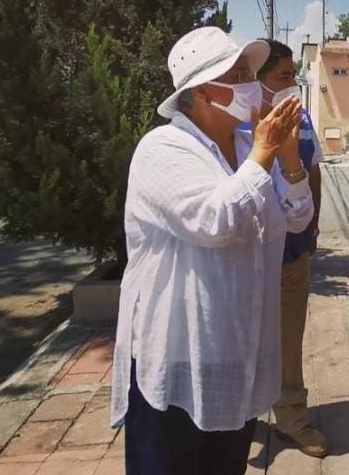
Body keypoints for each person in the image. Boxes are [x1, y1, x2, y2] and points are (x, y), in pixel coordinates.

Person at [110, 27, 314, 475]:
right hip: (180, 350)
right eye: (239, 74)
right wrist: (263, 156)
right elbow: (214, 222)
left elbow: (298, 217)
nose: (251, 84)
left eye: (249, 73)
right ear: (204, 90)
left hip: (236, 348)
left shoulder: (245, 146)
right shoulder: (163, 148)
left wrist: (289, 156)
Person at [249, 40, 330, 457]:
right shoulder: (235, 125)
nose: (291, 83)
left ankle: (292, 419)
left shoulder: (301, 118)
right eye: (283, 76)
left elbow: (312, 168)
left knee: (288, 339)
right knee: (240, 338)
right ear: (258, 81)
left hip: (290, 251)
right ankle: (237, 419)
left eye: (293, 74)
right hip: (244, 259)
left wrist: (312, 228)